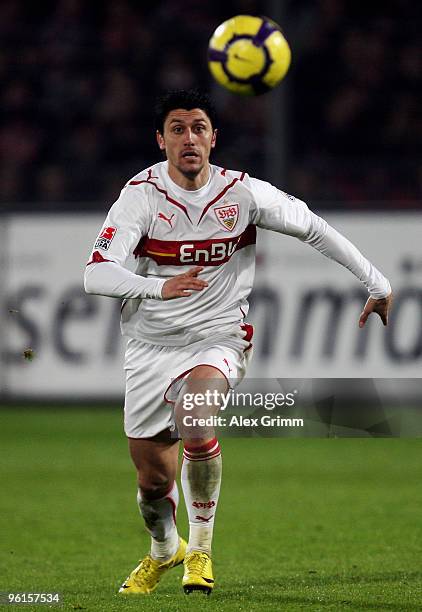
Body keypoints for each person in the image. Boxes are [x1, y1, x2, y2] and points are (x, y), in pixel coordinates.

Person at [84, 89, 393, 596]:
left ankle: (200, 552)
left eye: (199, 127)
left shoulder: (243, 194)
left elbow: (313, 228)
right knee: (152, 486)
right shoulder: (140, 197)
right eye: (178, 128)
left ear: (213, 138)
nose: (190, 138)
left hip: (219, 335)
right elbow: (96, 275)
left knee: (196, 416)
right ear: (160, 140)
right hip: (148, 347)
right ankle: (166, 549)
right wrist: (158, 286)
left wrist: (377, 282)